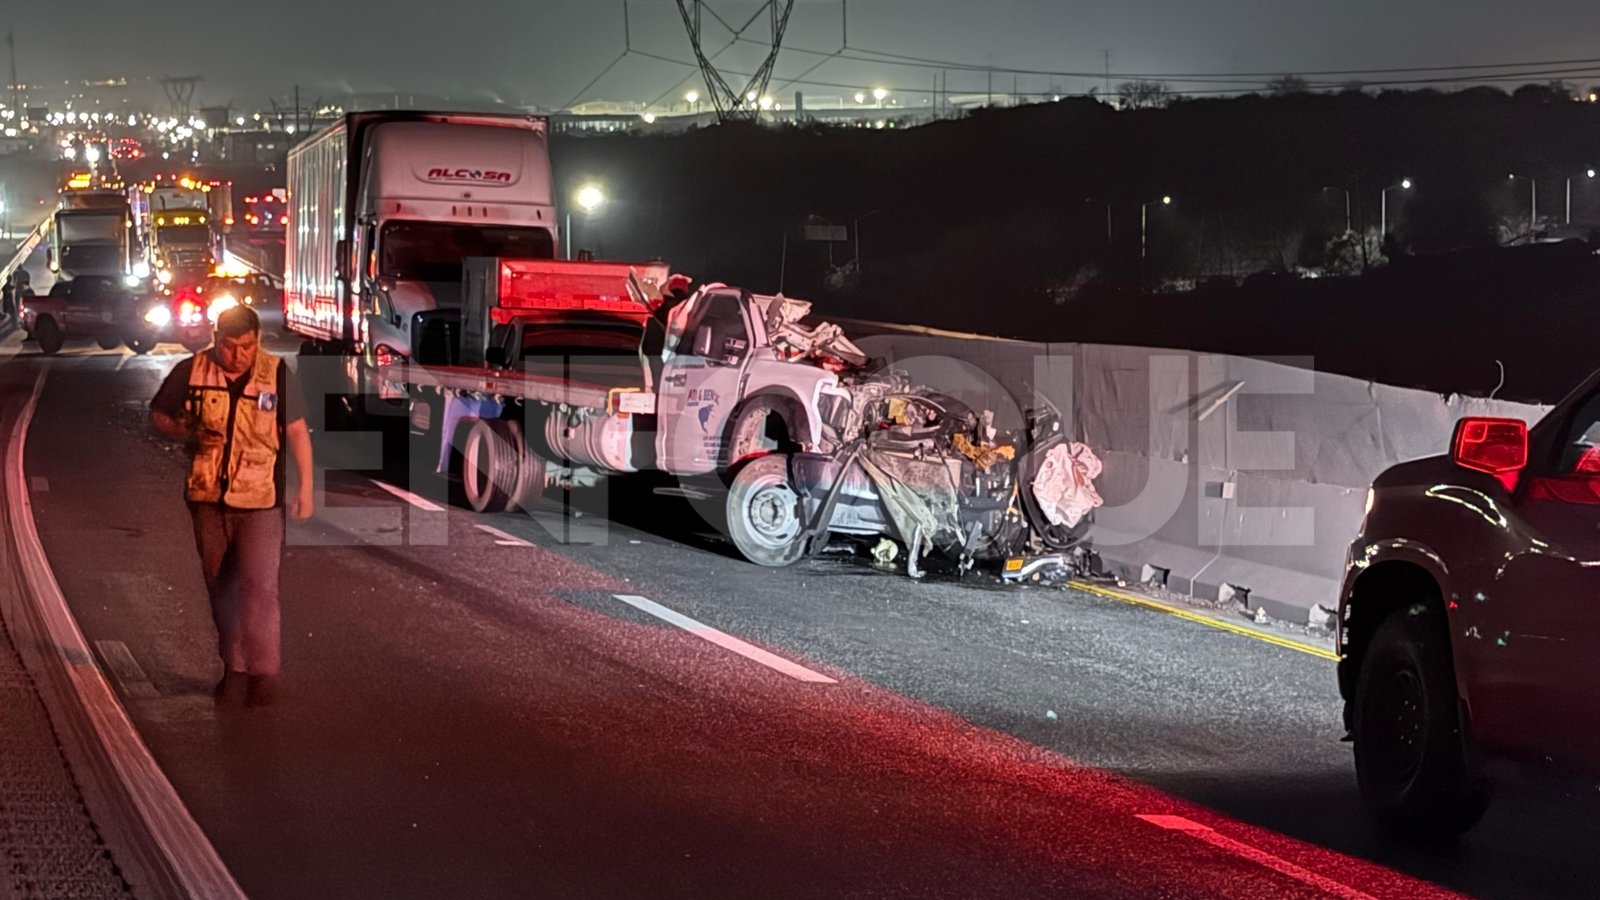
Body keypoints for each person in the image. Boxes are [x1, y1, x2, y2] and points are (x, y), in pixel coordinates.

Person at [149, 306, 314, 707]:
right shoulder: (193, 371)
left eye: (247, 346)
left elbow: (296, 431)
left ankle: (263, 674)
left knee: (260, 588)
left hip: (261, 500)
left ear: (258, 341)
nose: (239, 355)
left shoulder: (275, 374)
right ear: (215, 339)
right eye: (230, 346)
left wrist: (306, 487)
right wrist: (185, 430)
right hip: (207, 499)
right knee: (220, 588)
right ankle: (233, 667)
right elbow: (158, 415)